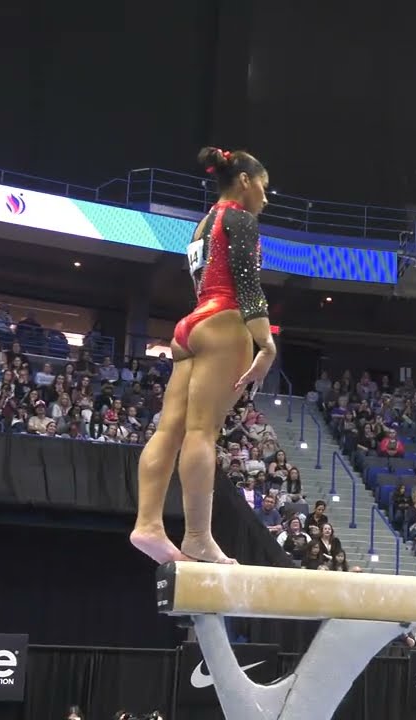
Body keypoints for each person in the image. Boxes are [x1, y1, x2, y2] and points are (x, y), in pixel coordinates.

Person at [130, 146, 274, 564]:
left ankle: (149, 523)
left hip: (190, 326)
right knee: (201, 433)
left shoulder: (201, 226)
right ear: (244, 181)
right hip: (224, 323)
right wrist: (266, 343)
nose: (265, 199)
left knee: (168, 432)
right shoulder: (240, 219)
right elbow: (247, 284)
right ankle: (196, 536)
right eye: (263, 188)